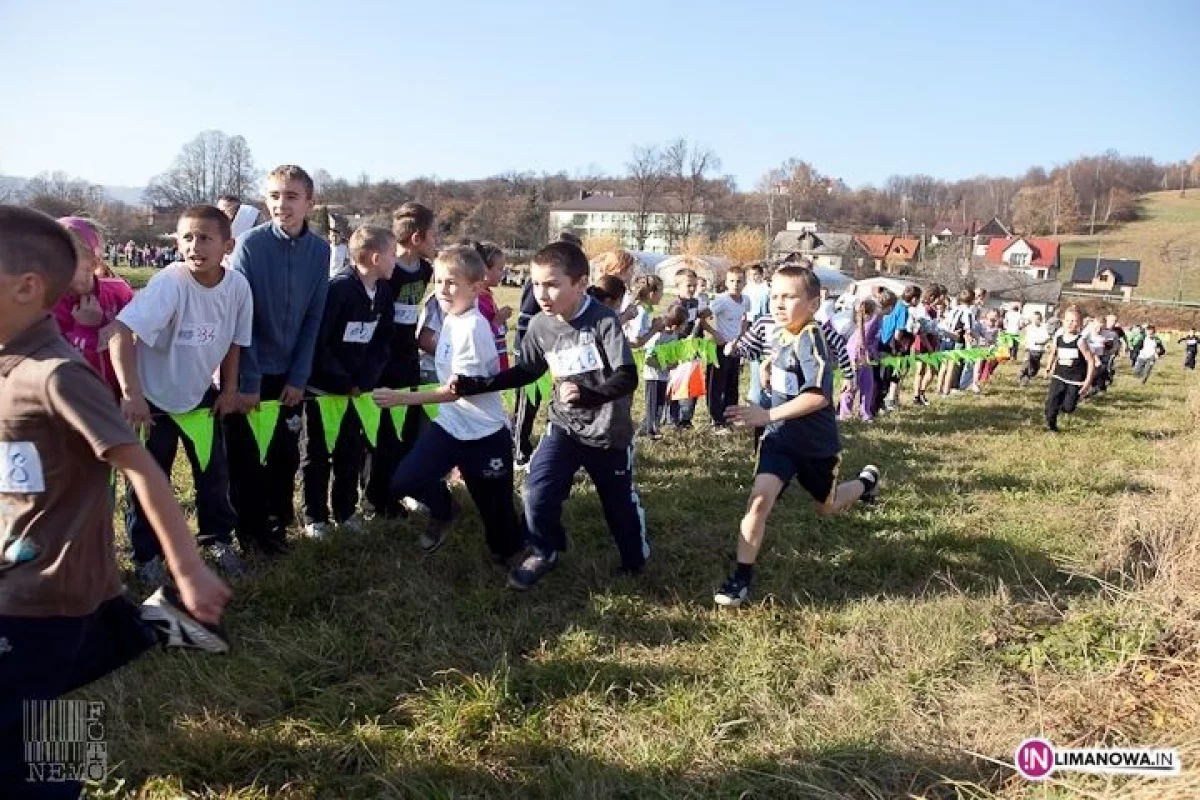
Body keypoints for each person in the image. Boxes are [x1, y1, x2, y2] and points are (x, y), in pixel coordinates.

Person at [0, 206, 232, 798]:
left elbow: (142, 468)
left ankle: (65, 782)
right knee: (43, 689)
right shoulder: (9, 360)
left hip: (44, 587)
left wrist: (190, 569)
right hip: (28, 569)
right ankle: (148, 627)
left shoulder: (58, 375)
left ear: (28, 288)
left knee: (26, 716)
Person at [450, 241, 647, 590]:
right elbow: (526, 370)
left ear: (580, 283)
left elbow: (626, 376)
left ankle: (634, 560)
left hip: (607, 432)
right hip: (564, 427)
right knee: (535, 493)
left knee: (618, 506)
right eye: (536, 283)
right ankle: (545, 550)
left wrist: (589, 395)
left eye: (552, 284)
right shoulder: (541, 324)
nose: (542, 293)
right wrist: (477, 384)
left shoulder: (602, 321)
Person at [716, 266, 881, 607]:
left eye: (789, 297)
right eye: (774, 296)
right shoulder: (777, 331)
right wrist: (765, 368)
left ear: (813, 303)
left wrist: (766, 414)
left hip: (816, 446)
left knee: (828, 507)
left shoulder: (813, 338)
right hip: (780, 440)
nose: (778, 304)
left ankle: (866, 483)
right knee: (758, 502)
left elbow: (818, 396)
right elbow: (775, 358)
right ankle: (740, 580)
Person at [110, 204, 253, 585]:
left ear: (228, 244)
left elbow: (236, 343)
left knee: (213, 474)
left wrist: (230, 388)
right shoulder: (170, 283)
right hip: (152, 400)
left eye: (204, 237)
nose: (194, 245)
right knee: (148, 480)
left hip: (200, 395)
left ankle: (216, 540)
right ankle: (147, 554)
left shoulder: (238, 287)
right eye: (187, 237)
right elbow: (118, 331)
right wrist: (131, 392)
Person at [374, 245, 523, 564]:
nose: (443, 288)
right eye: (439, 280)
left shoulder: (471, 327)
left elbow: (456, 391)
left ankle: (511, 555)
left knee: (495, 509)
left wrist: (400, 398)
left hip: (484, 434)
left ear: (476, 286)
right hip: (451, 427)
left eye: (452, 282)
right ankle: (445, 510)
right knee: (405, 480)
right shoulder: (451, 318)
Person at [223, 165, 330, 556]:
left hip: (289, 374)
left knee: (285, 455)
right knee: (247, 457)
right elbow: (242, 316)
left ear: (309, 202)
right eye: (273, 196)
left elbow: (313, 316)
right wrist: (247, 380)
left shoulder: (320, 251)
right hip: (250, 371)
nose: (281, 205)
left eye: (290, 196)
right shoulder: (250, 245)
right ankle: (249, 533)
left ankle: (277, 525)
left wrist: (299, 376)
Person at [300, 225, 396, 538]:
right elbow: (319, 342)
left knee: (350, 452)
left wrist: (365, 379)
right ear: (376, 257)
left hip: (358, 391)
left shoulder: (383, 291)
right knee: (316, 455)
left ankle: (345, 510)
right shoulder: (338, 289)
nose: (395, 261)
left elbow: (382, 340)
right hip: (324, 393)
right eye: (392, 255)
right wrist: (342, 381)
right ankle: (315, 516)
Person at [365, 203, 437, 519]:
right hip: (382, 360)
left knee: (406, 432)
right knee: (381, 435)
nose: (439, 240)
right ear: (418, 237)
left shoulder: (426, 270)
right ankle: (375, 497)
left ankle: (400, 489)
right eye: (436, 234)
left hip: (408, 358)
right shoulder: (386, 275)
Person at [51, 217, 134, 394]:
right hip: (79, 401)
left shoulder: (120, 292)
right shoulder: (47, 305)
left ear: (93, 264)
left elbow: (138, 344)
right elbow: (60, 367)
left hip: (122, 398)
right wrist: (85, 330)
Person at [706, 266, 750, 433]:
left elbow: (744, 318)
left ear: (744, 282)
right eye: (732, 281)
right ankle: (716, 421)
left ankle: (730, 417)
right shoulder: (721, 300)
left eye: (739, 281)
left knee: (732, 383)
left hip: (735, 347)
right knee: (716, 384)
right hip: (719, 346)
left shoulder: (745, 300)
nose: (735, 284)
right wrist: (714, 333)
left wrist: (742, 336)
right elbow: (703, 317)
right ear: (726, 282)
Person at [1044, 307, 1096, 433]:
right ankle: (1051, 425)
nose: (1070, 324)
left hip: (1074, 380)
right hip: (1059, 376)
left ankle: (1065, 406)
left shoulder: (1080, 341)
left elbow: (1090, 360)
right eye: (1068, 320)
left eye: (1074, 321)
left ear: (1080, 324)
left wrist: (1088, 381)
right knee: (1051, 402)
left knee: (1068, 407)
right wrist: (1048, 367)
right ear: (1063, 321)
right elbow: (1053, 353)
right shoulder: (1059, 338)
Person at [667, 268, 707, 429]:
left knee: (692, 383)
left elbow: (699, 323)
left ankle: (686, 419)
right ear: (678, 287)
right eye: (688, 286)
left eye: (694, 285)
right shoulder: (675, 306)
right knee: (677, 383)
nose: (692, 289)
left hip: (694, 348)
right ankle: (672, 417)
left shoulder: (696, 303)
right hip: (679, 349)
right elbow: (670, 329)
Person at [639, 306, 686, 439]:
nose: (685, 327)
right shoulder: (658, 336)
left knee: (660, 404)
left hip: (664, 377)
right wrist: (665, 365)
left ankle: (655, 427)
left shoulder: (675, 335)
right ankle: (650, 430)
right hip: (653, 377)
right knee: (652, 404)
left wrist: (675, 361)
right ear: (676, 325)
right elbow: (649, 360)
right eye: (684, 324)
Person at [1019, 312, 1050, 386]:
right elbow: (1025, 336)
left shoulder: (1043, 328)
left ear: (1041, 319)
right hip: (1029, 349)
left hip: (1038, 351)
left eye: (1038, 319)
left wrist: (1041, 342)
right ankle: (1023, 374)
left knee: (1034, 367)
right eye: (1034, 319)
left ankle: (1030, 374)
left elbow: (1047, 338)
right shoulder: (1029, 327)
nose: (1035, 320)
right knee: (1027, 362)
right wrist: (1024, 343)